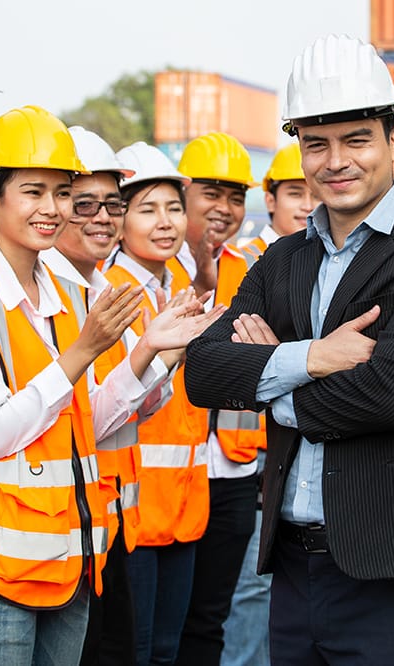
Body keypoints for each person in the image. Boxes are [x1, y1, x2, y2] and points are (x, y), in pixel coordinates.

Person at [185, 34, 394, 664]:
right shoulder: (283, 258)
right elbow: (205, 372)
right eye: (316, 144)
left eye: (356, 140)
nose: (334, 161)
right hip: (294, 568)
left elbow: (389, 396)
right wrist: (312, 358)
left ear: (393, 140)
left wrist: (269, 383)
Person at [0, 105, 154, 665]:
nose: (51, 209)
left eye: (60, 192)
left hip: (65, 551)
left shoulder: (65, 295)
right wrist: (83, 350)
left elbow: (83, 421)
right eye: (32, 191)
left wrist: (152, 352)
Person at [41, 126, 220, 666]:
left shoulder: (117, 289)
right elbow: (86, 418)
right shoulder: (97, 294)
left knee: (154, 648)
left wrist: (160, 357)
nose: (102, 217)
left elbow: (140, 405)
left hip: (144, 506)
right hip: (90, 517)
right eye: (146, 208)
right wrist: (151, 354)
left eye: (112, 205)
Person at [91, 141, 222, 666]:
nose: (165, 222)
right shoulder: (114, 293)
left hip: (183, 503)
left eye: (173, 207)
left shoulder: (173, 290)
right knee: (136, 652)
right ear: (119, 220)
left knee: (166, 649)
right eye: (147, 209)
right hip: (135, 514)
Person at [222, 141, 319, 666]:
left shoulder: (325, 262)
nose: (306, 204)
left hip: (294, 443)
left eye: (311, 193)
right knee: (252, 588)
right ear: (270, 199)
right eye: (294, 193)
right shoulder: (244, 265)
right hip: (247, 453)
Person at [174, 133, 267, 666]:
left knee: (212, 617)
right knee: (160, 623)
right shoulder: (147, 268)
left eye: (235, 197)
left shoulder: (248, 271)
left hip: (231, 473)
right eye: (211, 193)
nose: (225, 209)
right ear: (183, 192)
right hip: (166, 475)